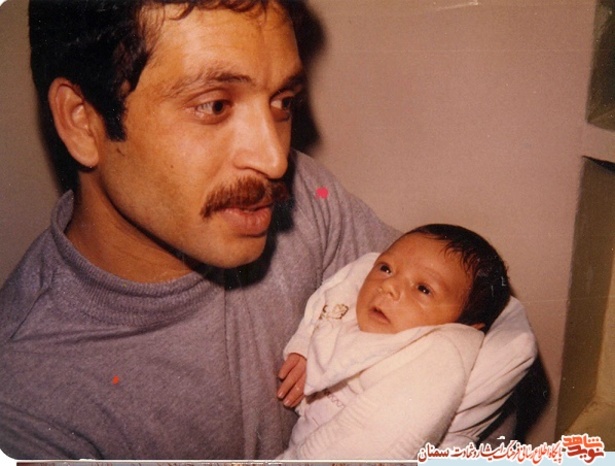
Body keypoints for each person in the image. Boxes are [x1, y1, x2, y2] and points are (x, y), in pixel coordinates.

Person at [0, 0, 535, 461]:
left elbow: (478, 325)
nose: (276, 160)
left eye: (282, 102)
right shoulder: (32, 411)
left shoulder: (308, 200)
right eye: (214, 105)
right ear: (82, 121)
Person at [276, 224, 511, 459]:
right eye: (386, 268)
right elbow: (339, 291)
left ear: (462, 327)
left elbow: (380, 442)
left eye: (423, 289)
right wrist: (306, 344)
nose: (388, 285)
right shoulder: (362, 303)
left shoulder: (437, 358)